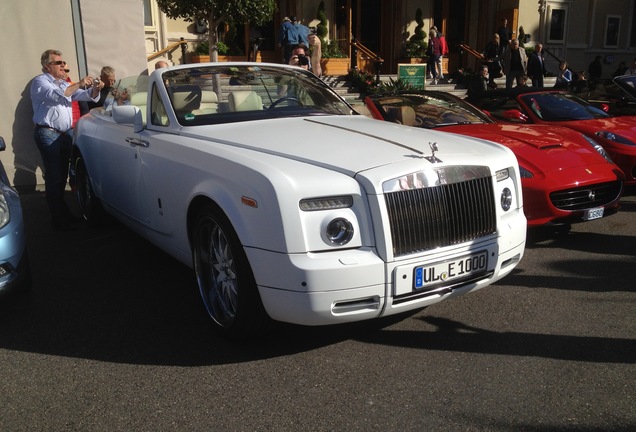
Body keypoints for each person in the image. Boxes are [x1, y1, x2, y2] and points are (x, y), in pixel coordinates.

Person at [30, 49, 102, 230]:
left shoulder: (63, 83)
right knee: (55, 177)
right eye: (59, 63)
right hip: (48, 133)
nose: (63, 66)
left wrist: (95, 89)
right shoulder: (40, 82)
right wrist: (78, 83)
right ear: (47, 66)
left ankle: (63, 215)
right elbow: (57, 96)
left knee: (62, 176)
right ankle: (59, 219)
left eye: (64, 63)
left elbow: (84, 96)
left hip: (64, 133)